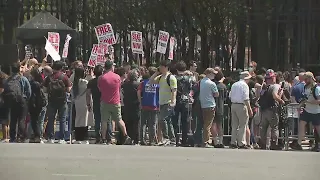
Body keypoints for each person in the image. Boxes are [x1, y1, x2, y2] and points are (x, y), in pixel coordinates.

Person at [98, 60, 131, 145]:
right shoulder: (117, 77)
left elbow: (100, 89)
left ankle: (104, 138)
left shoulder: (101, 77)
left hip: (105, 101)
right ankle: (126, 135)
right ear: (111, 67)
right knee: (119, 119)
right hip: (116, 101)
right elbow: (119, 88)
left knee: (104, 120)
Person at [149, 60, 177, 146]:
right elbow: (151, 81)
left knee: (162, 119)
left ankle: (167, 137)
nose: (160, 68)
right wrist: (156, 73)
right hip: (161, 102)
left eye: (161, 66)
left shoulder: (171, 78)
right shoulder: (160, 77)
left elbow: (174, 90)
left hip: (168, 102)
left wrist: (173, 101)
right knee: (167, 121)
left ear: (166, 67)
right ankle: (172, 139)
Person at [43, 61, 72, 144]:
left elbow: (44, 90)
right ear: (61, 68)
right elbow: (68, 90)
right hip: (62, 100)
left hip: (52, 100)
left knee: (51, 119)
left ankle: (51, 137)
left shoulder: (49, 78)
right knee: (62, 119)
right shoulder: (64, 77)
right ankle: (61, 138)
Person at [290, 72, 320, 152]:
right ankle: (299, 144)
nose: (305, 81)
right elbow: (305, 99)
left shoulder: (316, 88)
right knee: (301, 125)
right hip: (307, 110)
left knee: (318, 128)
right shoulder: (306, 87)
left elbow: (318, 101)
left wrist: (309, 102)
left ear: (310, 78)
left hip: (316, 111)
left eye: (306, 79)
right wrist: (299, 106)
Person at [3, 62, 31, 143]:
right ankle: (20, 136)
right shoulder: (23, 79)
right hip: (22, 100)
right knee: (22, 119)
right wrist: (26, 99)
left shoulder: (8, 79)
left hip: (12, 101)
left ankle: (12, 137)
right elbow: (28, 91)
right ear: (19, 69)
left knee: (13, 119)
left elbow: (5, 90)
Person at [259, 69, 284, 150]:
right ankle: (274, 144)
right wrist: (281, 100)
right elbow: (274, 95)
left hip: (263, 110)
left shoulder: (264, 87)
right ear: (274, 78)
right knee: (274, 127)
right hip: (272, 109)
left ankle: (263, 144)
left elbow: (259, 96)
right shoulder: (276, 86)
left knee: (264, 128)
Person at [86, 65, 111, 144]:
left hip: (96, 102)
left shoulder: (91, 82)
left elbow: (88, 94)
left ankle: (98, 137)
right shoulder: (105, 80)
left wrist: (88, 104)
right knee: (107, 120)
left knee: (97, 120)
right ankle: (108, 137)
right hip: (105, 102)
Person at [229, 71, 253, 149]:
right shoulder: (245, 85)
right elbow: (246, 98)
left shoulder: (234, 84)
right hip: (241, 105)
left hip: (233, 104)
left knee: (234, 125)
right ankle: (241, 142)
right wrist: (249, 109)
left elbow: (230, 95)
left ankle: (233, 142)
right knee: (243, 125)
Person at [171, 61, 193, 146]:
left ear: (176, 69)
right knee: (185, 122)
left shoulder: (173, 78)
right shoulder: (189, 78)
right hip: (185, 100)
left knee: (175, 121)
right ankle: (185, 140)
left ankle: (175, 139)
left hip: (176, 100)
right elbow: (191, 88)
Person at [138, 67, 159, 146]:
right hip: (154, 105)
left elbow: (139, 92)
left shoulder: (143, 82)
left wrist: (140, 102)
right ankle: (151, 140)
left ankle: (142, 140)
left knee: (143, 123)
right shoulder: (157, 84)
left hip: (145, 105)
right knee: (152, 124)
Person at [72, 67, 94, 144]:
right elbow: (90, 83)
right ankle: (84, 137)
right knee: (85, 120)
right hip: (84, 102)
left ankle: (78, 137)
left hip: (77, 102)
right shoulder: (84, 82)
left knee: (78, 120)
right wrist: (91, 75)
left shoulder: (74, 81)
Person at [199, 68, 219, 147]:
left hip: (203, 105)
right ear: (209, 73)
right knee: (208, 124)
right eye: (213, 74)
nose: (214, 75)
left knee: (206, 124)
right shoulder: (211, 83)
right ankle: (206, 141)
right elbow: (216, 94)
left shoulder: (202, 81)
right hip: (210, 105)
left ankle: (205, 140)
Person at [28, 67, 47, 143]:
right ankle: (37, 135)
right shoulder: (40, 82)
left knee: (34, 121)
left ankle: (37, 135)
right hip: (40, 104)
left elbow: (32, 94)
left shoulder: (34, 83)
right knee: (39, 121)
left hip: (35, 104)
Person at [122, 70, 141, 145]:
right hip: (136, 106)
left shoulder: (124, 85)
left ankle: (129, 138)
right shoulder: (138, 85)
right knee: (136, 124)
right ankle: (136, 140)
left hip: (127, 105)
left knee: (128, 123)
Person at [212, 70, 227, 148]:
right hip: (220, 107)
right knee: (220, 125)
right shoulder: (223, 86)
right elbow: (225, 97)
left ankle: (215, 141)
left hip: (213, 106)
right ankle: (221, 141)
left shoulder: (212, 85)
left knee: (213, 124)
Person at [0, 71, 9, 142]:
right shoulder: (6, 78)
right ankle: (6, 137)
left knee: (3, 121)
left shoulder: (2, 80)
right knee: (5, 121)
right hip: (6, 100)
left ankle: (5, 137)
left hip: (2, 101)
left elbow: (1, 90)